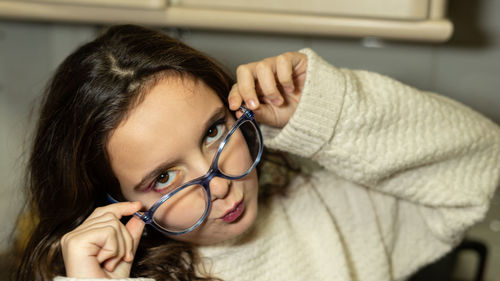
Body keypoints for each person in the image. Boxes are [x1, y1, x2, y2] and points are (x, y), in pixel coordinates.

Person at [12, 24, 500, 281]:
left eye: (212, 132)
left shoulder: (328, 210)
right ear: (111, 201)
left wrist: (330, 111)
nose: (219, 182)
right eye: (163, 177)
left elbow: (478, 164)